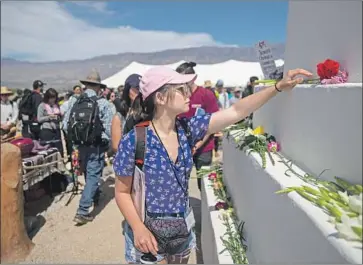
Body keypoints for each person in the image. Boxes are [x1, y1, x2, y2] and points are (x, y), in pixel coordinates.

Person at [113, 66, 312, 264]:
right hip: (148, 233)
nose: (189, 92)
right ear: (161, 98)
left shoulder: (187, 129)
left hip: (181, 231)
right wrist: (138, 228)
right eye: (181, 89)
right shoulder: (134, 140)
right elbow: (122, 192)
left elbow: (236, 111)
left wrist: (277, 87)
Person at [63, 70, 115, 225]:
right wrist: (106, 143)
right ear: (99, 87)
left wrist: (76, 141)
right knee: (93, 175)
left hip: (79, 145)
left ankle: (95, 194)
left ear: (85, 85)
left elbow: (65, 125)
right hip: (96, 146)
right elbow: (108, 129)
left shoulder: (74, 102)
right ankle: (82, 211)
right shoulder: (104, 104)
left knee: (87, 172)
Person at [176, 62, 219, 191]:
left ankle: (205, 210)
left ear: (193, 78)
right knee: (180, 183)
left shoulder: (206, 95)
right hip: (182, 146)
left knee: (205, 185)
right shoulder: (178, 96)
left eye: (184, 80)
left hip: (204, 147)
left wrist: (199, 144)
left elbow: (213, 122)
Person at [111, 74, 141, 152]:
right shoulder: (120, 116)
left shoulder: (148, 111)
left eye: (143, 88)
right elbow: (116, 146)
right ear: (128, 90)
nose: (140, 91)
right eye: (137, 88)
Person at [37, 88, 63, 154]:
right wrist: (49, 117)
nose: (53, 100)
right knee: (48, 149)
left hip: (56, 130)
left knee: (59, 149)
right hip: (47, 130)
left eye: (54, 98)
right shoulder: (42, 106)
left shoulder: (56, 105)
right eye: (51, 98)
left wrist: (59, 117)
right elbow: (39, 119)